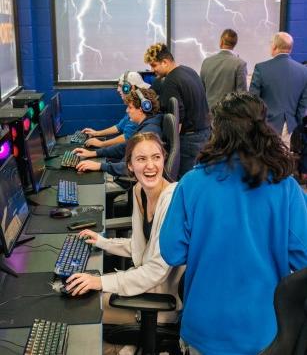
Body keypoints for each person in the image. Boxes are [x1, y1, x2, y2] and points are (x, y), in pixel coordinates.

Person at [159, 92, 307, 355]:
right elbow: (302, 256)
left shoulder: (192, 183)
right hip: (263, 332)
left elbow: (173, 252)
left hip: (204, 329)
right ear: (263, 128)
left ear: (218, 130)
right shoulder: (286, 188)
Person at [65, 132, 184, 353]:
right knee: (79, 295)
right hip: (144, 286)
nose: (150, 166)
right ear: (129, 166)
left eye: (156, 157)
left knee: (79, 309)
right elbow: (141, 248)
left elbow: (156, 270)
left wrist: (100, 282)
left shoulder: (172, 201)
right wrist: (102, 242)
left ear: (163, 159)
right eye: (141, 159)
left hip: (158, 301)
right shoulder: (140, 191)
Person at [144, 42, 211, 178]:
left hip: (189, 141)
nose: (153, 70)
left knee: (184, 181)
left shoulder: (171, 81)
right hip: (205, 133)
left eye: (154, 65)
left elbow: (176, 120)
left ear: (165, 62)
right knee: (199, 177)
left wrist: (168, 147)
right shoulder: (189, 70)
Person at [73, 88, 162, 177]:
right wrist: (94, 153)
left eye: (130, 107)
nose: (127, 110)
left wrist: (100, 166)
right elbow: (124, 147)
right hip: (123, 166)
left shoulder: (148, 135)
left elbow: (132, 167)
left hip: (129, 178)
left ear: (143, 109)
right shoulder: (146, 126)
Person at [250, 32, 307, 147]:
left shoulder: (261, 68)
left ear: (274, 47)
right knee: (286, 161)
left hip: (266, 128)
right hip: (291, 128)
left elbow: (253, 100)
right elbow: (303, 104)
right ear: (290, 49)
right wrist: (296, 125)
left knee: (267, 161)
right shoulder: (303, 71)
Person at [82, 71, 150, 148]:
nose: (118, 89)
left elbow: (127, 137)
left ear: (130, 88)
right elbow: (119, 127)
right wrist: (97, 133)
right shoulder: (133, 105)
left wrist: (101, 144)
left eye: (121, 86)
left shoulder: (138, 108)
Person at [200, 28, 247, 109]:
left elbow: (201, 91)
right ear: (234, 44)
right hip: (229, 116)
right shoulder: (240, 64)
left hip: (209, 114)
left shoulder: (206, 62)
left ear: (221, 42)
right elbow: (242, 96)